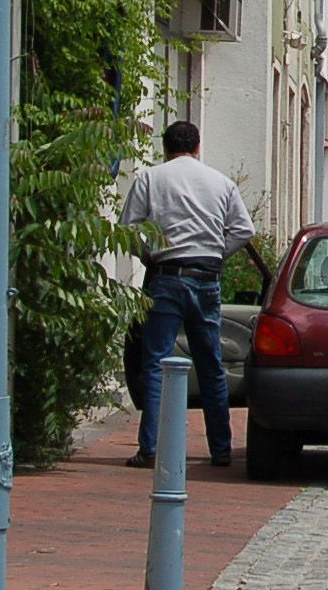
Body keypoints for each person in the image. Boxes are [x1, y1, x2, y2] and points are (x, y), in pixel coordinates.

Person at [119, 120, 254, 468]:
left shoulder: (151, 178)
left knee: (155, 363)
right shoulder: (221, 182)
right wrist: (216, 252)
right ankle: (220, 449)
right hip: (206, 277)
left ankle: (150, 447)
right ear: (197, 147)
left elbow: (128, 229)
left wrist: (148, 254)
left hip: (166, 275)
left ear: (166, 148)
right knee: (211, 364)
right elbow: (244, 229)